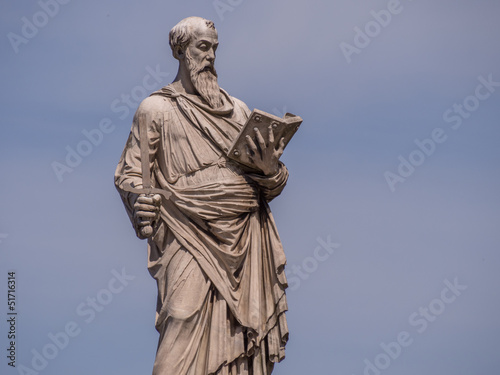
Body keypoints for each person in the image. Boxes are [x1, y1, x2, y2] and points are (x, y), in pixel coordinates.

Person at [115, 16, 289, 375]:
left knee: (242, 332)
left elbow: (267, 184)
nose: (210, 56)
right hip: (187, 230)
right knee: (181, 317)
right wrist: (138, 203)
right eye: (203, 47)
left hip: (244, 235)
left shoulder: (239, 111)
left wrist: (271, 169)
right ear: (181, 50)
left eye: (214, 47)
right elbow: (131, 174)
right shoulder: (157, 109)